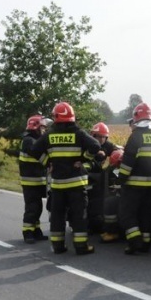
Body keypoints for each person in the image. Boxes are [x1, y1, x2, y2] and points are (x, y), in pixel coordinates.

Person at [30, 102, 104, 255]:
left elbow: (34, 150)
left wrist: (47, 163)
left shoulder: (49, 134)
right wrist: (83, 159)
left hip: (57, 185)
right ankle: (81, 247)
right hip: (77, 184)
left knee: (57, 216)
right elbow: (96, 145)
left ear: (56, 117)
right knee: (79, 216)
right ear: (71, 116)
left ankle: (58, 246)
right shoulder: (78, 133)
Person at [117, 102, 151, 255]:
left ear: (136, 118)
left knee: (126, 214)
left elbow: (128, 162)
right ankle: (145, 243)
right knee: (146, 214)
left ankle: (135, 242)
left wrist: (121, 180)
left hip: (133, 185)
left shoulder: (136, 135)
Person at [86, 122, 122, 235]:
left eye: (103, 137)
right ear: (93, 136)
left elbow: (118, 153)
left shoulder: (109, 146)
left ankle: (103, 225)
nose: (101, 139)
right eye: (98, 136)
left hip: (105, 179)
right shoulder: (87, 145)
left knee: (103, 202)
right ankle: (89, 225)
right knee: (90, 203)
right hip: (89, 178)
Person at [19, 115, 49, 244]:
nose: (44, 130)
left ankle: (36, 230)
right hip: (30, 181)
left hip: (37, 180)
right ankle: (27, 232)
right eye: (42, 127)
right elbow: (36, 154)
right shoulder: (29, 140)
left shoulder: (35, 139)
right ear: (36, 126)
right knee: (32, 207)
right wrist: (50, 163)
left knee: (37, 207)